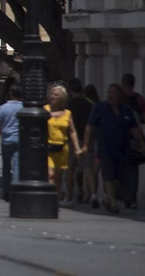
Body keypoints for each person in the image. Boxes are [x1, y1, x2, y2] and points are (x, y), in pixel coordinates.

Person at [88, 82, 145, 213]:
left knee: (120, 179)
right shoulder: (99, 108)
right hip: (105, 150)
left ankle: (109, 198)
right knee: (109, 176)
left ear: (119, 95)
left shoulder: (127, 111)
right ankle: (113, 204)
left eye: (113, 93)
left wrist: (142, 145)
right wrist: (85, 145)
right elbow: (89, 127)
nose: (110, 95)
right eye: (109, 93)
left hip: (122, 150)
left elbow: (135, 129)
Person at [45, 83, 81, 200]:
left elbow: (72, 131)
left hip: (62, 148)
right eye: (51, 94)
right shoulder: (45, 110)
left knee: (58, 177)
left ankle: (57, 197)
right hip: (48, 147)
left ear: (62, 97)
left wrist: (76, 148)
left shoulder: (67, 113)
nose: (52, 97)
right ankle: (50, 198)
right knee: (50, 174)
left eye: (55, 95)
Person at [66, 79, 96, 207]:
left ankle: (69, 196)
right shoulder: (89, 104)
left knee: (70, 169)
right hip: (87, 138)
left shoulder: (68, 104)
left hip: (72, 139)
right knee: (88, 167)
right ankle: (93, 194)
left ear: (70, 90)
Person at [122, 74, 145, 209]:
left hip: (121, 137)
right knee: (133, 169)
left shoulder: (119, 99)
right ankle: (132, 198)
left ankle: (123, 195)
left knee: (121, 167)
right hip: (134, 139)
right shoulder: (140, 99)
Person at [0, 80, 23, 200]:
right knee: (17, 166)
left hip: (6, 140)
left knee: (6, 167)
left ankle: (6, 191)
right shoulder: (23, 108)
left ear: (10, 94)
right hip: (19, 140)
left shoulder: (3, 108)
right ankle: (15, 190)